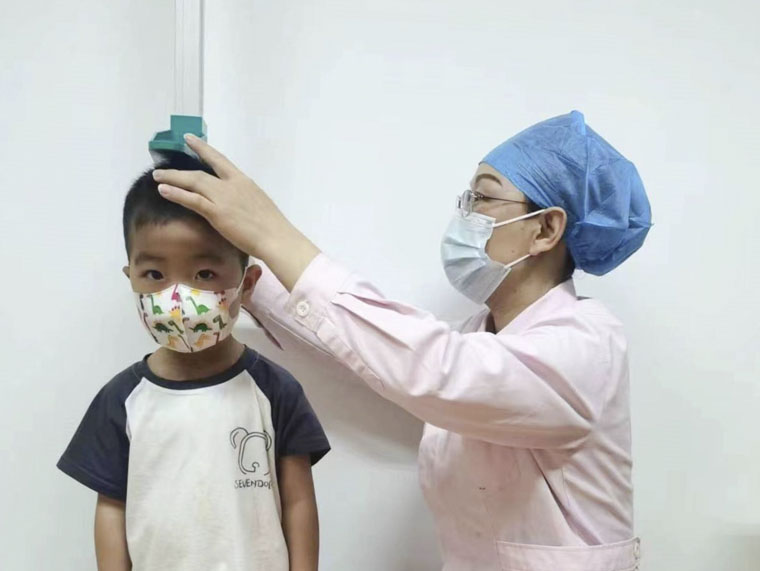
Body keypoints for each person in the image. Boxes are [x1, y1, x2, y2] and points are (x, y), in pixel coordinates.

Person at [153, 111, 652, 570]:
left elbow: (431, 369)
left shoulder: (587, 346)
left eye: (482, 198)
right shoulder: (480, 336)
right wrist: (249, 284)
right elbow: (370, 360)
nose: (465, 214)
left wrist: (270, 233)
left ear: (545, 228)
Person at [57, 154, 330, 571]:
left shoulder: (275, 392)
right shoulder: (121, 401)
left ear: (247, 284)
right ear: (131, 278)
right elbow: (112, 507)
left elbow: (298, 503)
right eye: (154, 275)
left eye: (204, 274)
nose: (177, 298)